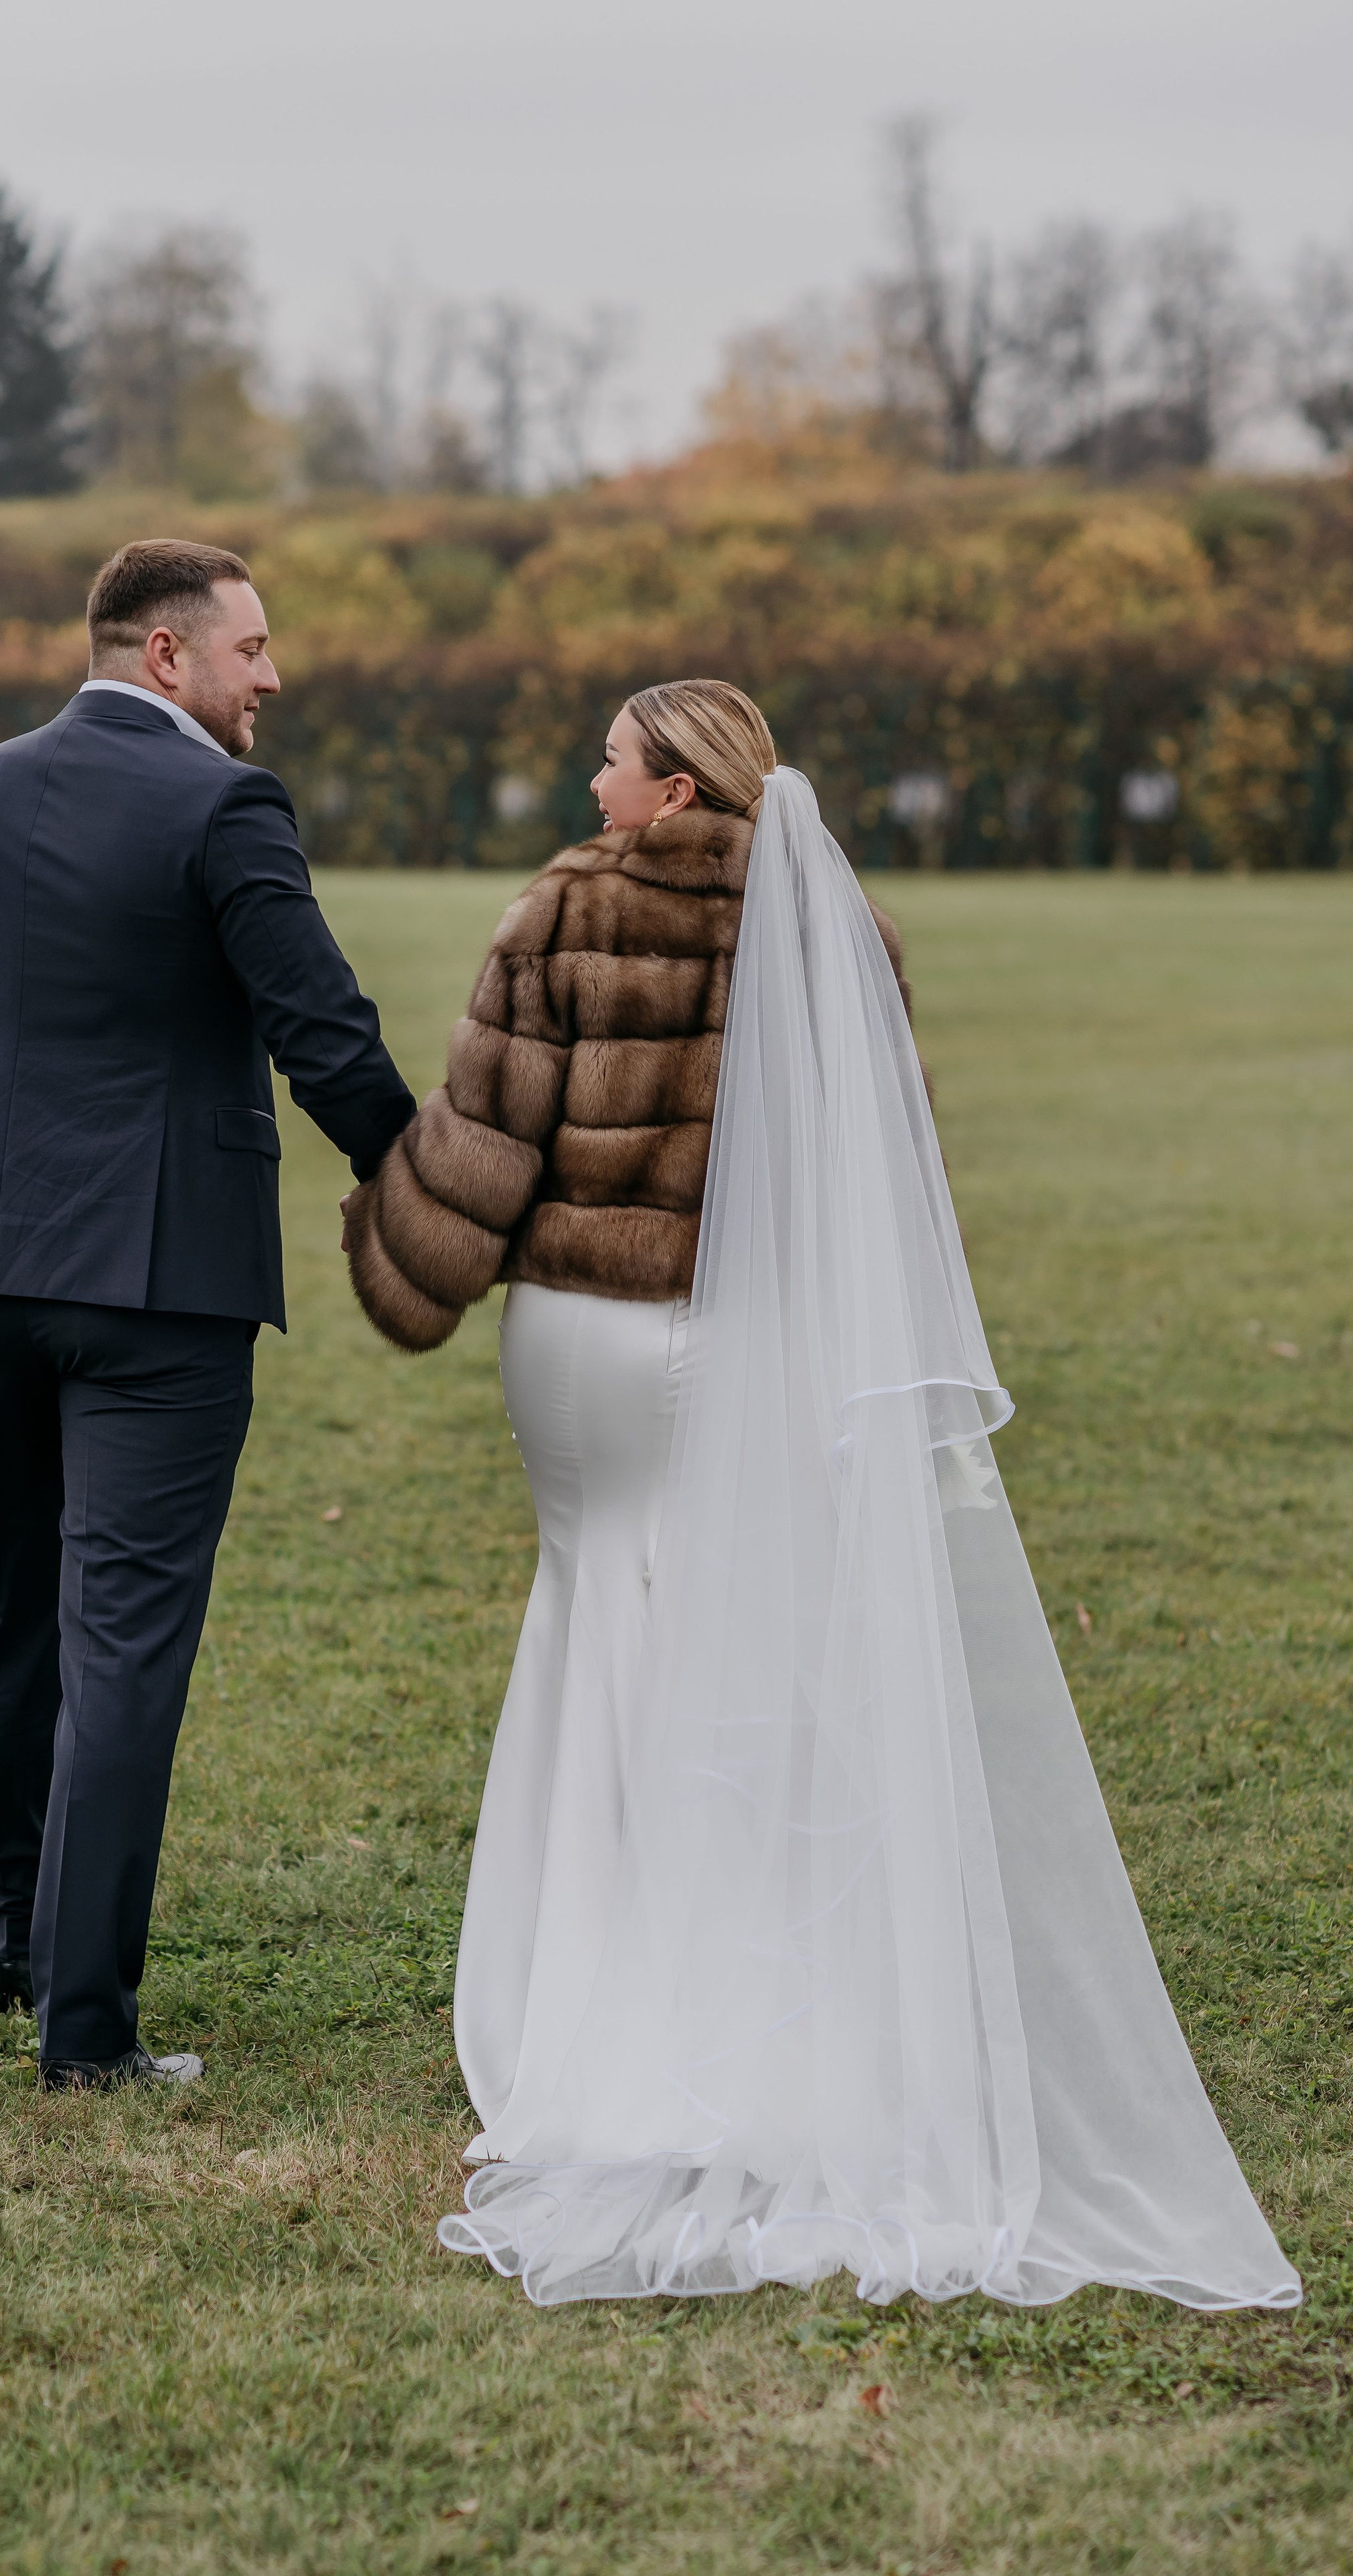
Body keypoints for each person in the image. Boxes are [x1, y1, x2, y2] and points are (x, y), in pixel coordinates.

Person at [343, 679, 1299, 2313]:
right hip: (766, 1344)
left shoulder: (571, 905)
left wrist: (398, 1254)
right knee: (751, 1645)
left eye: (612, 757)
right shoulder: (834, 915)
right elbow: (880, 1163)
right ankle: (762, 1992)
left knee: (594, 1623)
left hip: (591, 1337)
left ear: (664, 791)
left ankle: (589, 2005)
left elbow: (486, 1145)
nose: (591, 776)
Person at [0, 539, 414, 2091]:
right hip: (158, 1284)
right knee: (120, 1643)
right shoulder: (222, 804)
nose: (273, 677)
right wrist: (434, 1194)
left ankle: (21, 1951)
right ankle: (87, 2036)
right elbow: (323, 1032)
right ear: (167, 658)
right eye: (252, 648)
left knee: (3, 1606)